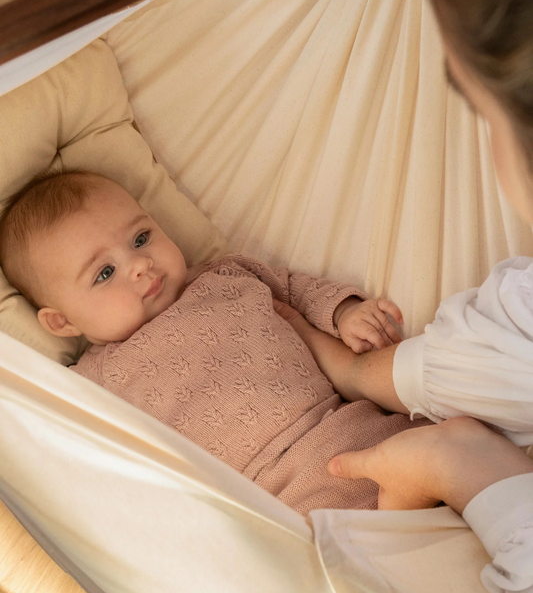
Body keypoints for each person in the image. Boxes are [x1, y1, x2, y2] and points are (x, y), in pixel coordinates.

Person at [0, 168, 425, 516]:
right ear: (60, 322)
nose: (140, 265)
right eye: (104, 273)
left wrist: (343, 312)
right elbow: (58, 446)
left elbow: (293, 289)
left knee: (437, 443)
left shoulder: (222, 274)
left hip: (349, 422)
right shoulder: (94, 380)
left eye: (141, 239)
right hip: (274, 495)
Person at [315, 0, 533, 593]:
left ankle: (468, 466)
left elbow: (374, 375)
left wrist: (305, 331)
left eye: (478, 108)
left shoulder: (511, 333)